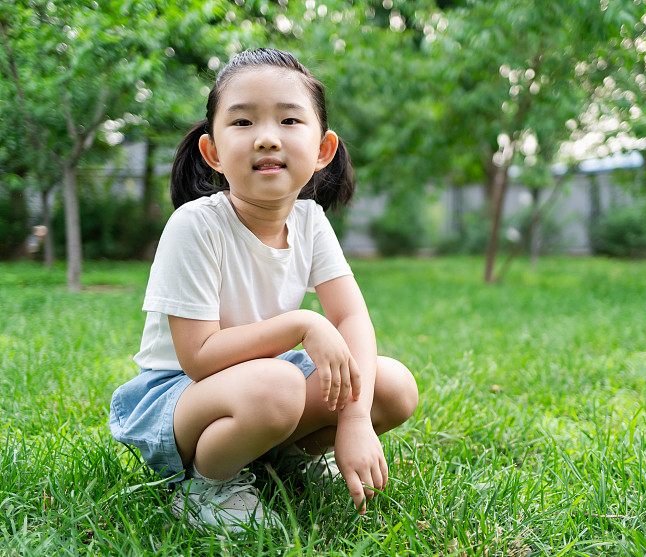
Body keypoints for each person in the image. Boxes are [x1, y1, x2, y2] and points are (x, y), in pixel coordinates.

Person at [109, 48, 418, 534]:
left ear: (323, 149)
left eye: (290, 120)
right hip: (177, 400)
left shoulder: (310, 220)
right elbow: (200, 357)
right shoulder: (196, 226)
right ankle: (206, 487)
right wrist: (301, 323)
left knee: (392, 385)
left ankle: (281, 460)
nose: (267, 138)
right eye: (243, 122)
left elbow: (352, 318)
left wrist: (355, 419)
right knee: (278, 386)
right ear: (212, 152)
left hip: (262, 387)